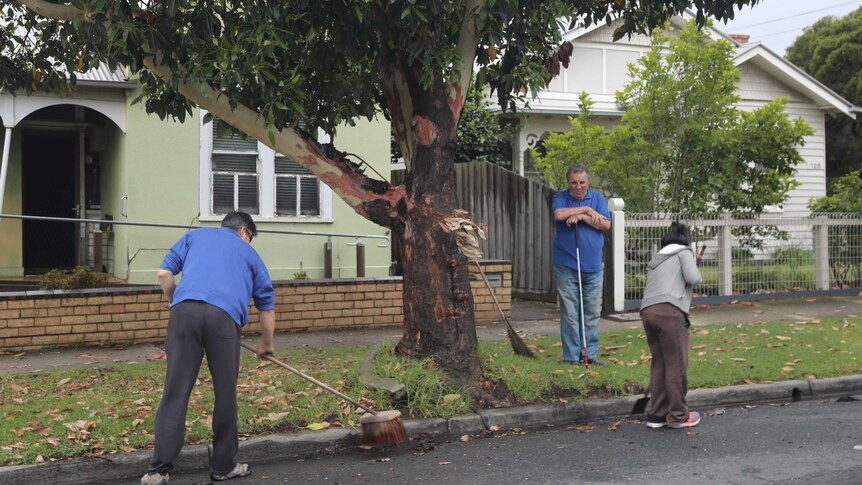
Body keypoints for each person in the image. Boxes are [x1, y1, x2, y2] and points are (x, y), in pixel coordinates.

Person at [141, 211, 277, 485]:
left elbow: (164, 273)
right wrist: (267, 345)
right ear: (243, 232)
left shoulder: (195, 236)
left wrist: (174, 303)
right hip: (224, 320)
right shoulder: (250, 254)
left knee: (175, 392)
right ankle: (224, 466)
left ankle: (158, 471)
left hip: (183, 314)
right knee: (225, 393)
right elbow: (266, 306)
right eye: (249, 238)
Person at [640, 222, 702, 429]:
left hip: (648, 311)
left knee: (659, 363)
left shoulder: (657, 259)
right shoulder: (684, 252)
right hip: (670, 311)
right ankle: (678, 416)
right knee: (676, 364)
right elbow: (693, 277)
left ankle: (657, 415)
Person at [552, 163, 611, 366]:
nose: (578, 187)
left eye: (582, 182)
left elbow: (605, 224)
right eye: (574, 183)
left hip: (594, 266)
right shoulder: (560, 197)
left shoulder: (598, 198)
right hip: (567, 264)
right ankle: (571, 357)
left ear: (588, 182)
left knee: (592, 312)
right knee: (570, 312)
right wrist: (586, 209)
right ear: (568, 183)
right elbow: (559, 215)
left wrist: (582, 217)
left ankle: (590, 355)